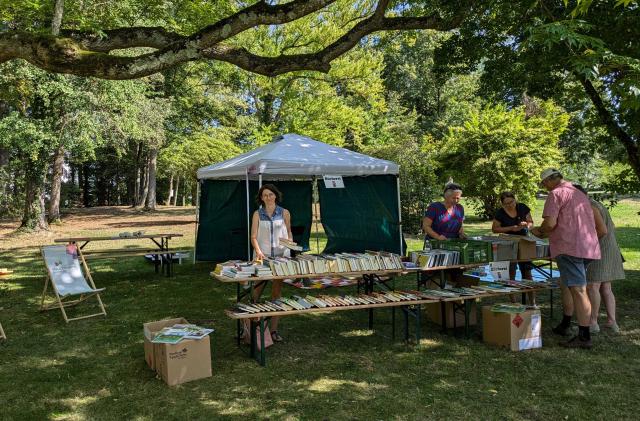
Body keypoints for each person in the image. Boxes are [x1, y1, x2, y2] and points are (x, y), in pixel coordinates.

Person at [531, 169, 600, 349]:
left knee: (578, 290)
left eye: (544, 183)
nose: (544, 187)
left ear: (549, 181)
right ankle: (568, 325)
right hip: (587, 246)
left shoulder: (556, 194)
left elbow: (550, 223)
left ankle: (584, 336)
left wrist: (539, 231)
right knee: (573, 287)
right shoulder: (578, 193)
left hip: (569, 247)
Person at [573, 185, 624, 334]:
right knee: (606, 287)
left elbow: (602, 231)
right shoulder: (597, 204)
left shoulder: (589, 206)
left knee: (593, 286)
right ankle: (612, 322)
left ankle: (593, 323)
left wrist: (585, 244)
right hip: (610, 248)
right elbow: (611, 226)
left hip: (600, 250)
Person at [250, 184, 293, 342]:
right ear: (261, 198)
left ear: (276, 195)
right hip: (262, 258)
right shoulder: (257, 214)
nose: (268, 197)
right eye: (264, 195)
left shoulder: (284, 212)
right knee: (256, 292)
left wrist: (289, 248)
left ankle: (273, 330)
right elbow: (253, 236)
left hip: (280, 257)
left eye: (270, 194)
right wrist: (259, 252)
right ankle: (251, 328)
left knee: (276, 294)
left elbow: (288, 233)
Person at [492, 191, 535, 305]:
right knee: (511, 272)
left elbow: (531, 222)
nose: (510, 205)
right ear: (502, 204)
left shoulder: (522, 207)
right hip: (508, 244)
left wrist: (526, 225)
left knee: (527, 273)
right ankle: (514, 302)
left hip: (524, 242)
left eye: (511, 202)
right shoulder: (500, 213)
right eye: (506, 204)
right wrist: (511, 228)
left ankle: (532, 302)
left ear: (515, 199)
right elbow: (495, 229)